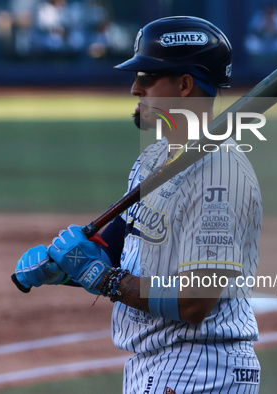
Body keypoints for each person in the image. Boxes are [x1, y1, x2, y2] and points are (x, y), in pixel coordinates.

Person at [15, 16, 263, 393]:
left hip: (199, 367)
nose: (135, 89)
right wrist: (66, 269)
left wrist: (104, 280)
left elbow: (195, 300)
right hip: (162, 365)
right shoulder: (153, 161)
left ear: (184, 85)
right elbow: (118, 250)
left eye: (148, 78)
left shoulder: (220, 175)